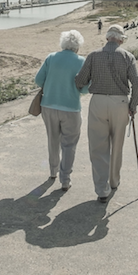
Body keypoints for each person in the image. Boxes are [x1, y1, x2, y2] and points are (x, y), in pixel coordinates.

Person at [75, 25, 138, 203]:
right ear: (120, 39)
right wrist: (133, 105)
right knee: (117, 144)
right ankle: (114, 181)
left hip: (98, 101)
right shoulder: (128, 56)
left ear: (107, 38)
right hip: (120, 102)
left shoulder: (93, 55)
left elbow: (80, 80)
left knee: (98, 146)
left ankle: (101, 189)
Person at [35, 30, 89, 191]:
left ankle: (53, 171)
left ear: (63, 43)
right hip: (71, 108)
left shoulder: (51, 58)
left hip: (49, 105)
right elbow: (85, 89)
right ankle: (65, 179)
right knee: (69, 144)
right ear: (78, 46)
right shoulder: (81, 61)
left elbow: (38, 80)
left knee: (53, 139)